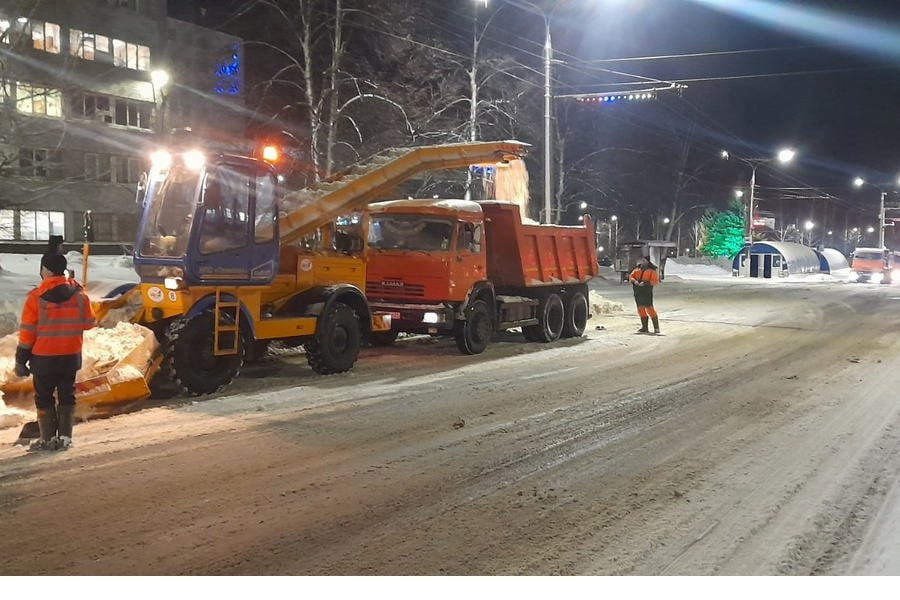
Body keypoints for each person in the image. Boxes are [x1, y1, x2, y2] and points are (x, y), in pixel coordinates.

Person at [15, 253, 97, 451]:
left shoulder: (35, 298)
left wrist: (20, 361)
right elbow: (89, 324)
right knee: (67, 395)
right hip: (70, 357)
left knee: (44, 397)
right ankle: (66, 438)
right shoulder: (79, 296)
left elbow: (27, 334)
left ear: (46, 270)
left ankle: (47, 439)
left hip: (43, 359)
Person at [628, 255, 660, 334]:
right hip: (638, 292)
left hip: (647, 292)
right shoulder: (637, 269)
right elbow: (631, 277)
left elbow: (655, 281)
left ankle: (656, 328)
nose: (641, 261)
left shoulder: (652, 271)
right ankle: (644, 328)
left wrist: (646, 283)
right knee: (640, 309)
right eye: (641, 260)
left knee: (650, 308)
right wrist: (634, 281)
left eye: (643, 260)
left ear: (647, 261)